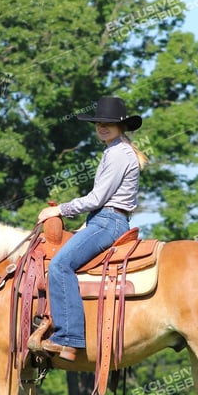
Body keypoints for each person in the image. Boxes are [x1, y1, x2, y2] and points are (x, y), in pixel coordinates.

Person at [36, 96, 148, 361]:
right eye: (98, 123)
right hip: (104, 219)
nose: (102, 127)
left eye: (108, 123)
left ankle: (69, 338)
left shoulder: (118, 154)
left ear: (121, 126)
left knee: (60, 265)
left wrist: (58, 209)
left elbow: (97, 199)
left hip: (108, 221)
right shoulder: (114, 151)